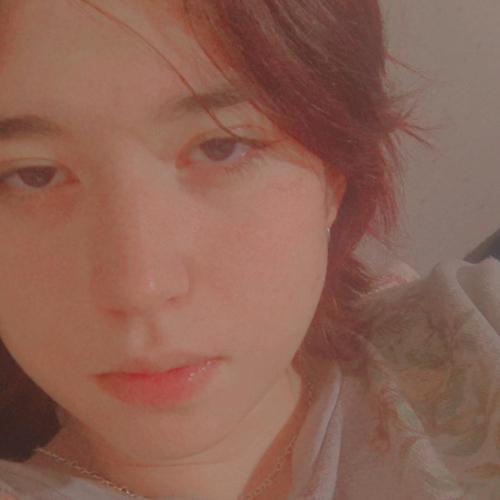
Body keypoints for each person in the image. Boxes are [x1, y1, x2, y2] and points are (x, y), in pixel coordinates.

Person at [0, 1, 498, 499]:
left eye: (221, 146)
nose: (141, 287)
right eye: (34, 174)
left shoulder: (478, 332)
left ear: (334, 176)